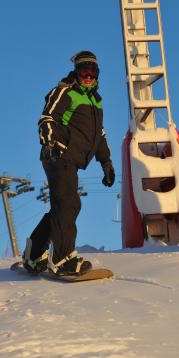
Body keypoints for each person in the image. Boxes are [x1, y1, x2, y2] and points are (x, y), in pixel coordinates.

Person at [23, 51, 115, 276]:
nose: (88, 75)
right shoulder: (65, 91)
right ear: (76, 71)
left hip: (71, 160)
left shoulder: (95, 101)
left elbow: (99, 135)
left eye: (92, 71)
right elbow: (47, 119)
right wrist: (52, 143)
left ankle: (34, 254)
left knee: (62, 207)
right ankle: (62, 258)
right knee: (69, 204)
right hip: (57, 155)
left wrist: (106, 163)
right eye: (84, 70)